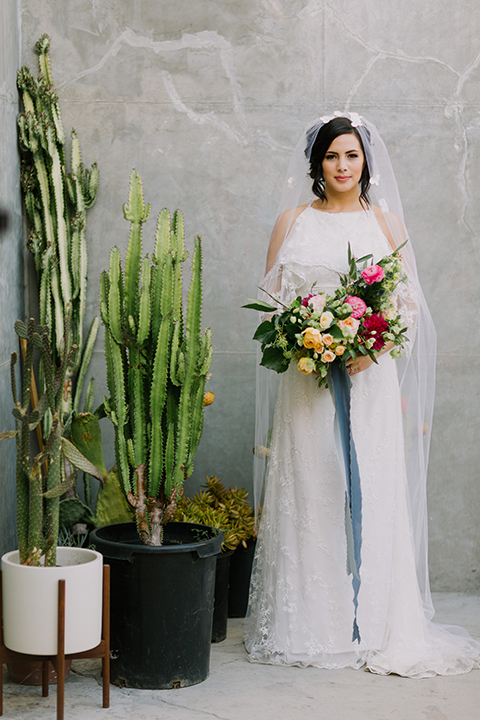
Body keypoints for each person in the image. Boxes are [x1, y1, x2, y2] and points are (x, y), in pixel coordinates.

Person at [244, 112, 480, 677]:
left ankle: (375, 622)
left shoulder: (386, 224)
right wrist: (306, 338)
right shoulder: (292, 220)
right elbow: (273, 298)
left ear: (365, 161)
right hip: (306, 377)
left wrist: (370, 347)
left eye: (351, 155)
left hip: (369, 376)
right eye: (331, 156)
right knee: (312, 485)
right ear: (316, 163)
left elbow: (408, 306)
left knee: (372, 487)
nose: (342, 166)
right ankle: (315, 624)